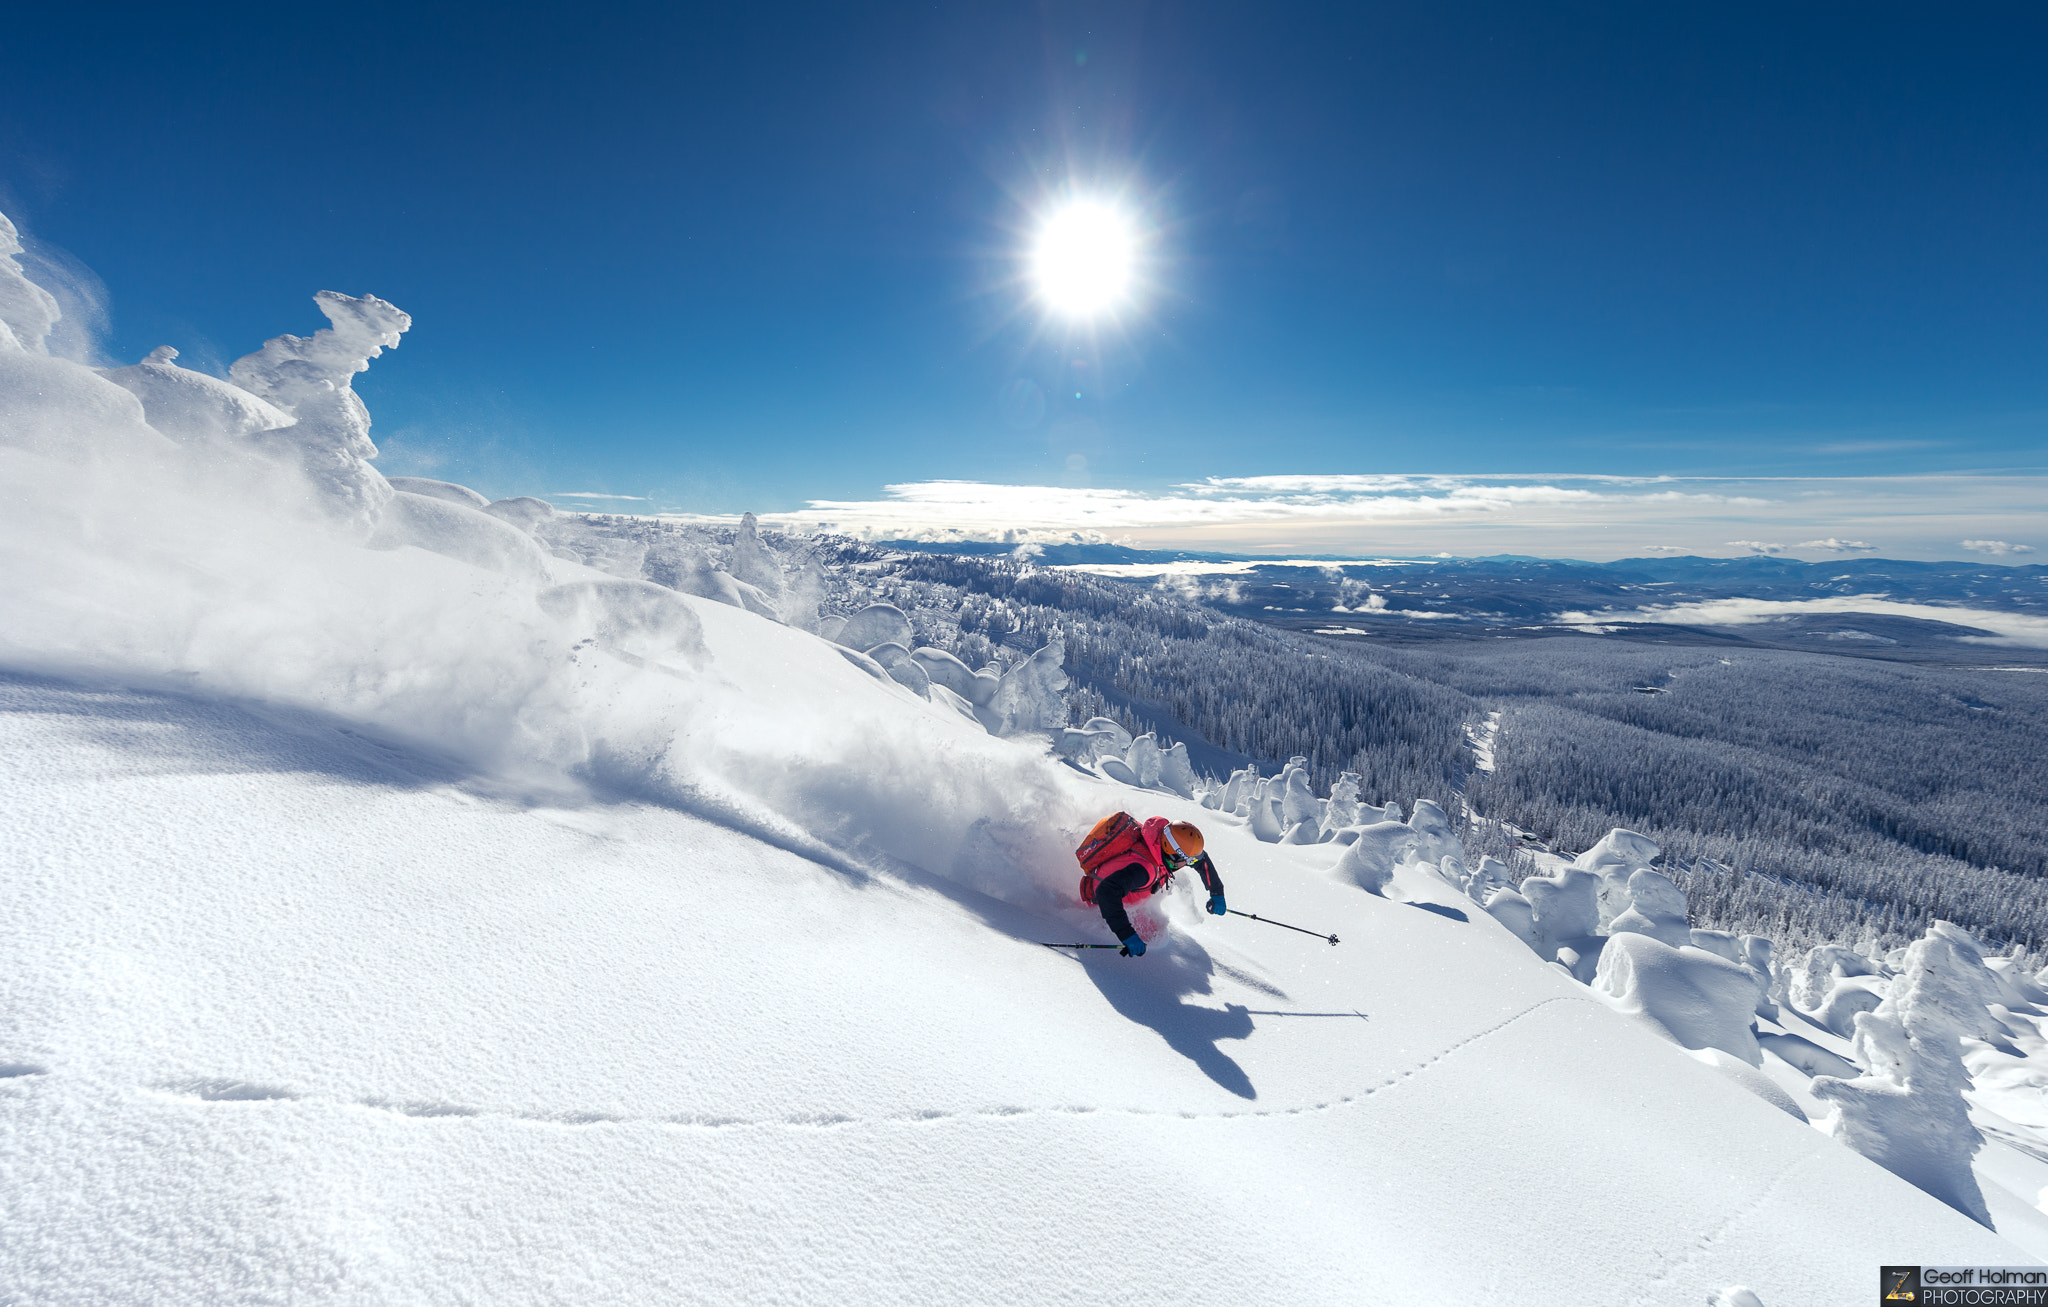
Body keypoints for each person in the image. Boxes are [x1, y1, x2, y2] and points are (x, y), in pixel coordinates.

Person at [1080, 816, 1226, 956]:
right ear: (1174, 856)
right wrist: (1127, 934)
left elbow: (1201, 860)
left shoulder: (1160, 842)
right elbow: (1106, 892)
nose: (1191, 863)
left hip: (1123, 898)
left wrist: (1217, 892)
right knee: (1150, 939)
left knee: (1156, 933)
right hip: (1104, 908)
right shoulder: (1145, 870)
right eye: (1188, 861)